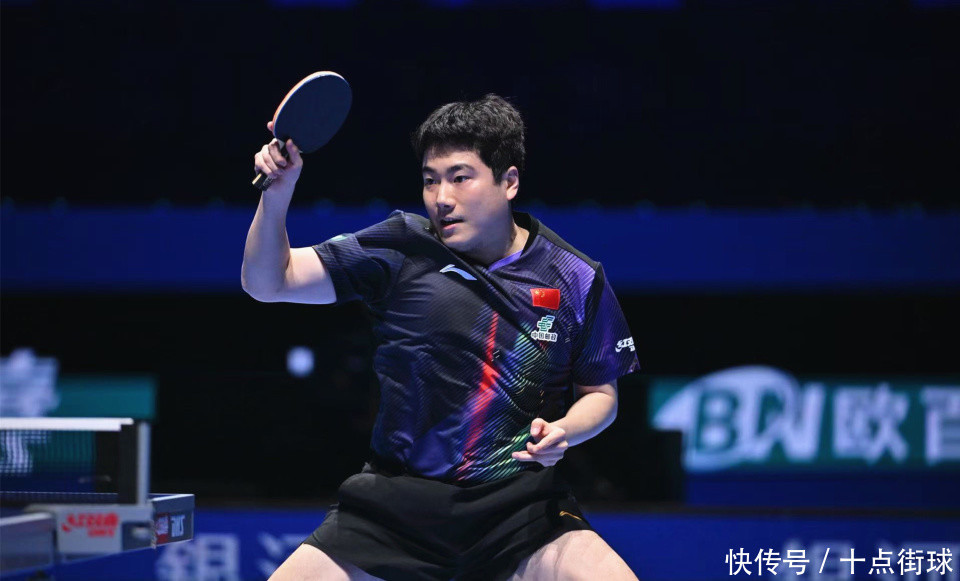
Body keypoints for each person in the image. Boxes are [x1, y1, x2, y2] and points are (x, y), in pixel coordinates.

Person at [242, 94, 641, 581]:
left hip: (520, 511)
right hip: (394, 508)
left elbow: (601, 395)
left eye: (460, 177)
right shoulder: (402, 247)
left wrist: (566, 430)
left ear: (509, 182)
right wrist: (277, 192)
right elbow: (268, 282)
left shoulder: (574, 276)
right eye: (430, 180)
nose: (441, 197)